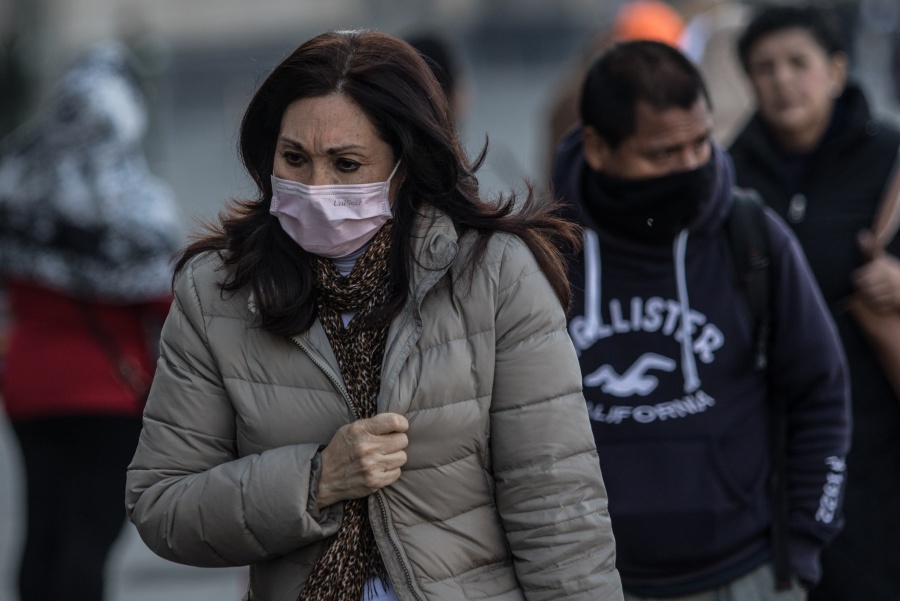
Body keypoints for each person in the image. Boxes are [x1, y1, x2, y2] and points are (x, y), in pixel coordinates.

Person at [125, 29, 623, 601]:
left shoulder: (494, 275)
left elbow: (557, 507)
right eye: (295, 159)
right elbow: (161, 503)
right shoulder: (219, 291)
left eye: (346, 164)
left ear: (404, 164)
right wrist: (314, 481)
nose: (315, 187)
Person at [551, 40, 851, 600]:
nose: (690, 167)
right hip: (590, 581)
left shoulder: (753, 239)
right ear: (597, 146)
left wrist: (805, 544)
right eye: (663, 154)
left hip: (748, 575)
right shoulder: (543, 257)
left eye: (700, 144)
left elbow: (822, 393)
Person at [728, 6, 900, 600]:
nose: (782, 80)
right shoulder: (725, 176)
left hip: (878, 429)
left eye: (798, 63)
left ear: (835, 70)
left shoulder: (892, 161)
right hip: (765, 434)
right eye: (764, 68)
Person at [0, 41, 181, 601]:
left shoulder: (17, 191)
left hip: (27, 385)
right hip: (110, 388)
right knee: (91, 534)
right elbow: (168, 311)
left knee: (44, 529)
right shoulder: (137, 207)